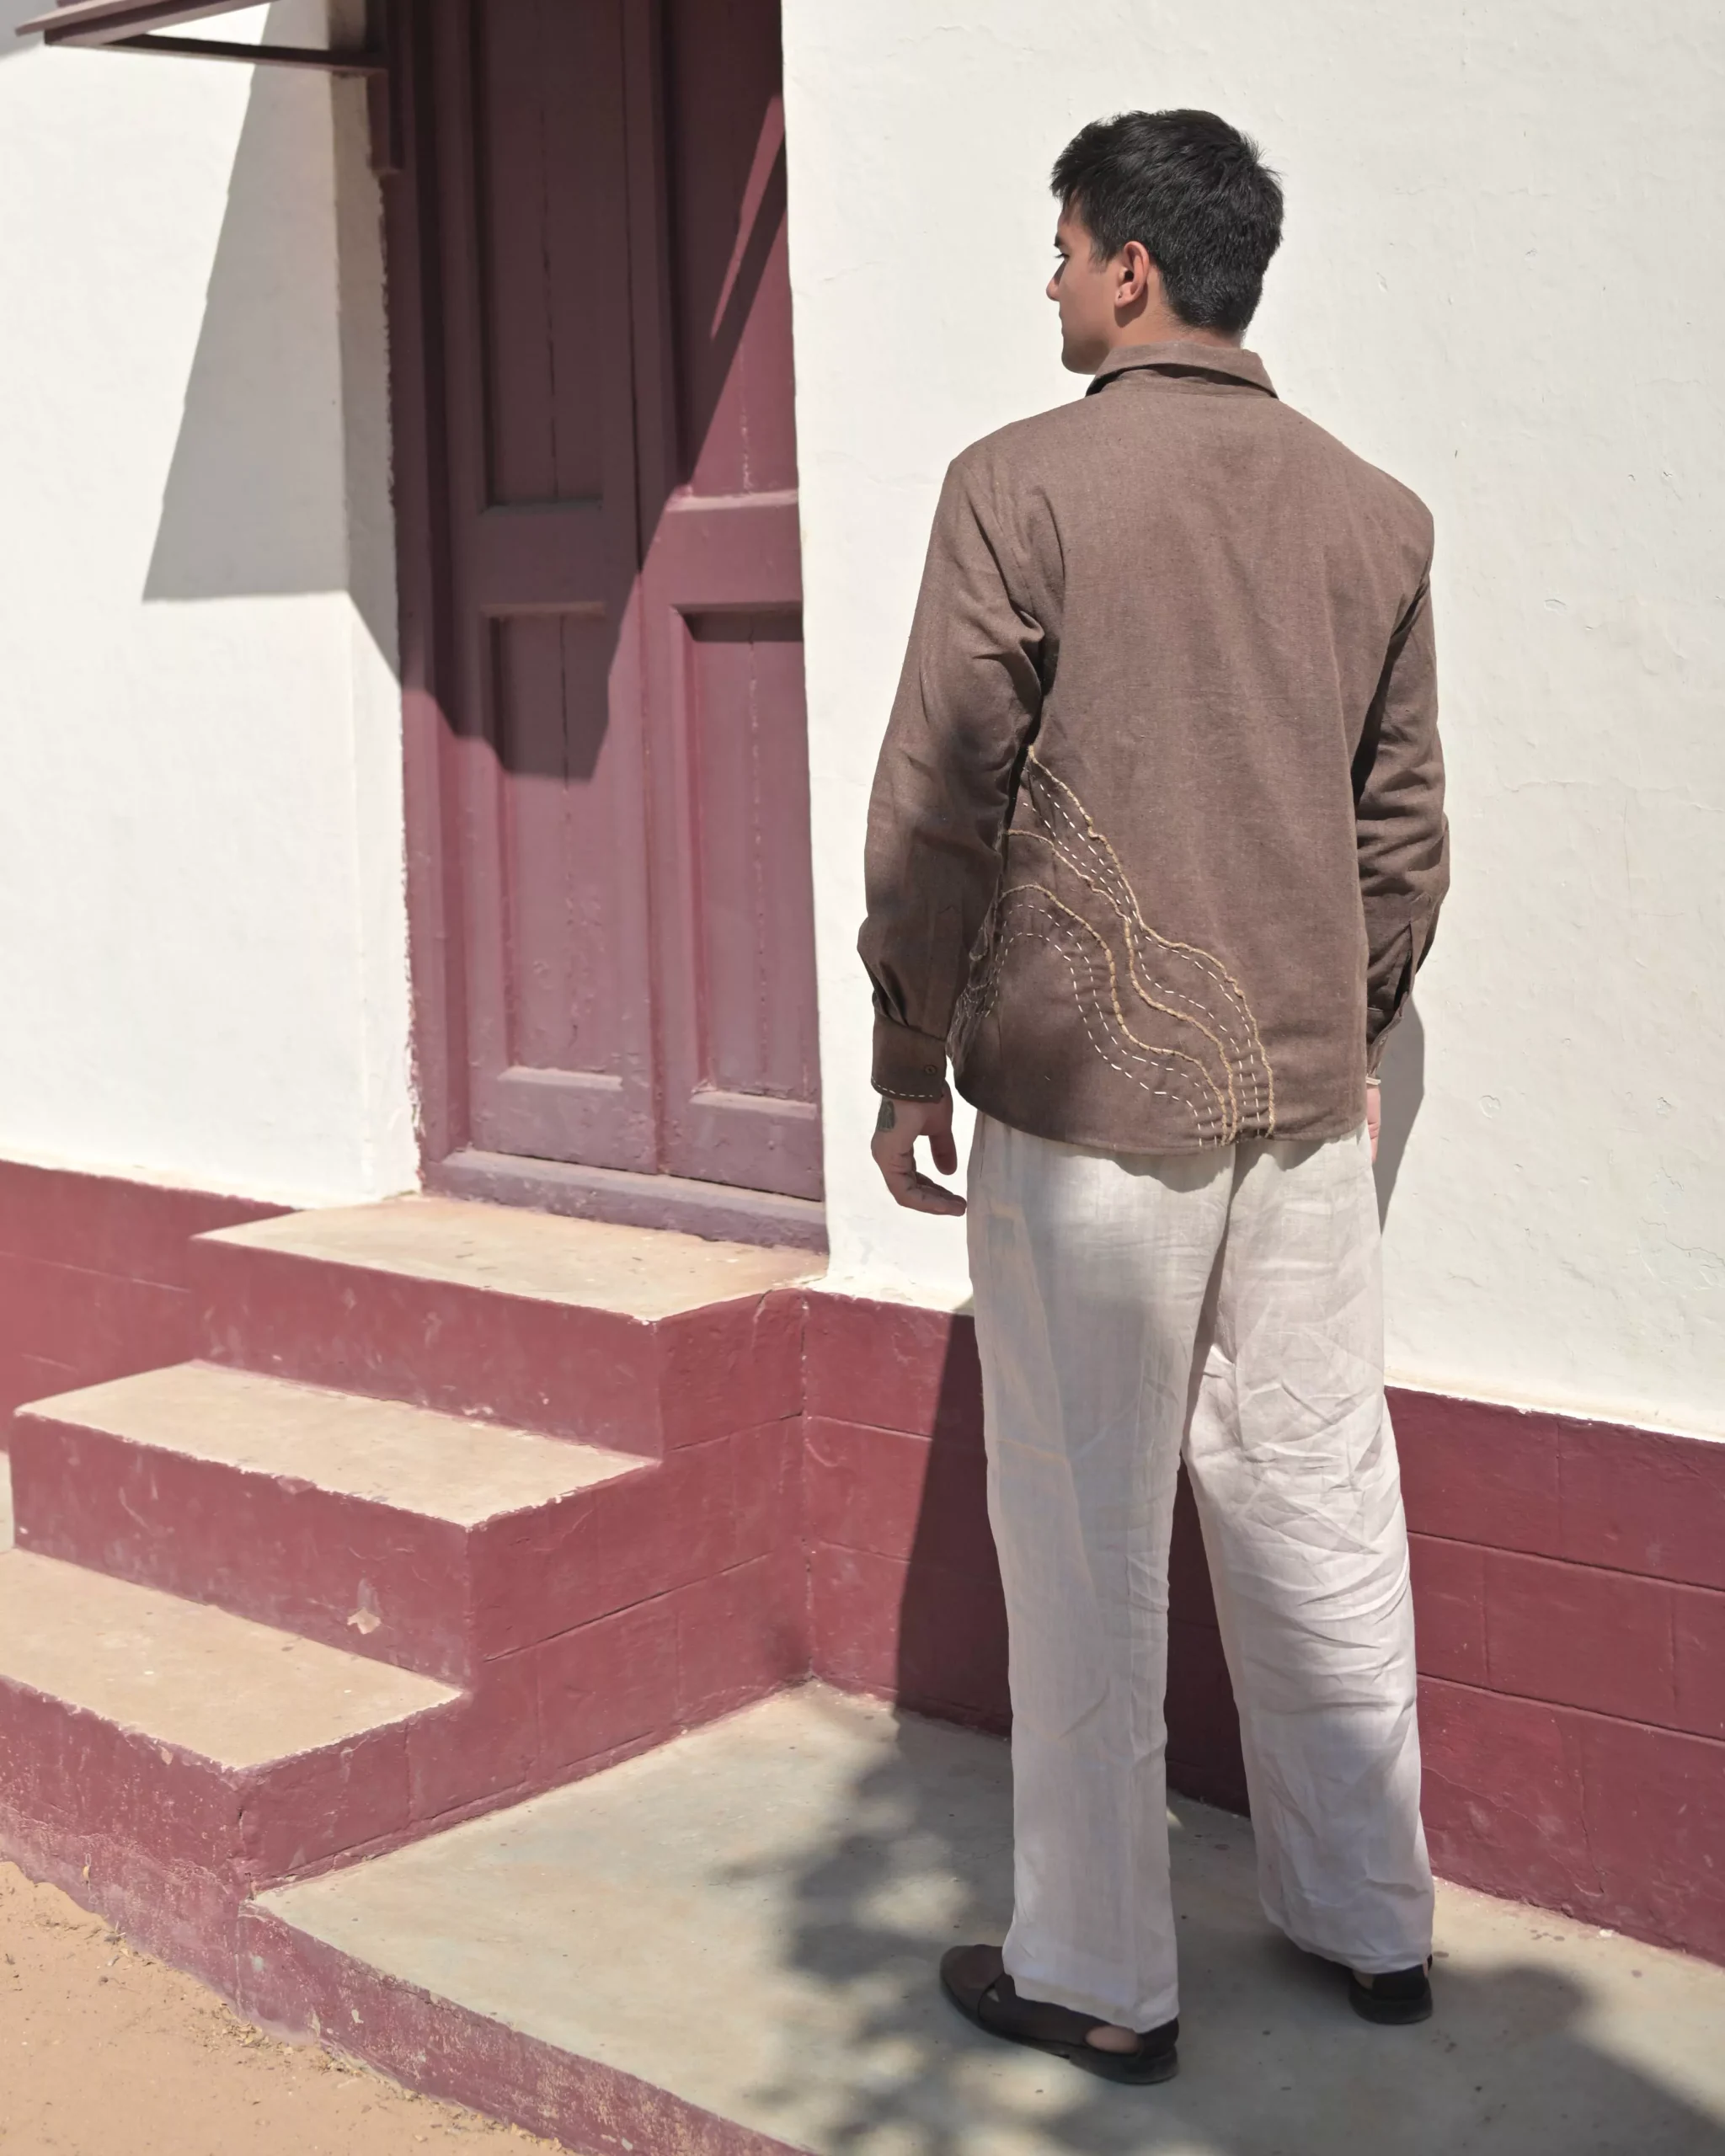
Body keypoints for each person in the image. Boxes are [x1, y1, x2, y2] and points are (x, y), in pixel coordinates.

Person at [858, 109, 1449, 2086]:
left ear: (1129, 270)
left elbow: (939, 801)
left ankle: (1102, 1969)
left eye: (1060, 249)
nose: (1046, 282)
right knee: (1317, 1492)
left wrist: (904, 1045)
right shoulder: (1375, 513)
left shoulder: (1016, 484)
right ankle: (1371, 1921)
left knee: (1084, 1529)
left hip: (1089, 1102)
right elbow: (1403, 837)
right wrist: (1341, 1027)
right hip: (1300, 1102)